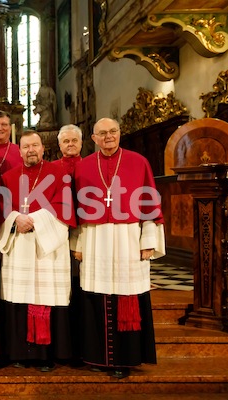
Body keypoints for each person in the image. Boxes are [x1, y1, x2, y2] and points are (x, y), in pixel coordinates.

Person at [73, 117, 165, 379]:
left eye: (113, 131)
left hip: (128, 237)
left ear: (120, 133)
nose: (108, 137)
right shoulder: (84, 167)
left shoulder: (139, 162)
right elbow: (78, 211)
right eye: (102, 133)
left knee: (127, 294)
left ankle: (127, 357)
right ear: (93, 138)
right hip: (94, 237)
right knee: (95, 295)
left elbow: (149, 202)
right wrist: (77, 243)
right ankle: (94, 356)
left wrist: (148, 240)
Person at [0, 131, 75, 371]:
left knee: (46, 298)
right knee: (18, 299)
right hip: (19, 245)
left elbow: (64, 206)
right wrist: (14, 219)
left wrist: (34, 220)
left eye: (35, 145)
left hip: (47, 248)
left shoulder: (59, 174)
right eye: (25, 146)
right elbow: (1, 209)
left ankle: (46, 355)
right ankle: (19, 353)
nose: (31, 150)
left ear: (43, 149)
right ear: (18, 151)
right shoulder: (8, 177)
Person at [51, 124, 84, 366]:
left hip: (87, 231)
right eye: (66, 141)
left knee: (83, 285)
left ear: (82, 143)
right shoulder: (52, 170)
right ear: (59, 145)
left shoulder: (91, 165)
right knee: (63, 285)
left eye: (74, 140)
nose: (70, 144)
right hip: (58, 232)